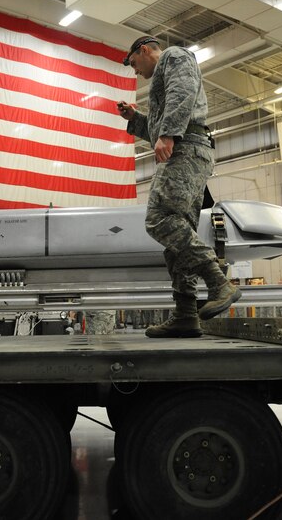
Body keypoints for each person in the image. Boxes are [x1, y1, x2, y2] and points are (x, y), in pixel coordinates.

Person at [116, 35, 240, 338]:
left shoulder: (174, 56)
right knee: (177, 236)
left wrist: (169, 134)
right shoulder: (165, 71)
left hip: (185, 149)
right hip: (188, 148)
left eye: (134, 63)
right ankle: (186, 313)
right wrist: (136, 119)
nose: (135, 71)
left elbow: (182, 93)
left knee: (159, 219)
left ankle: (218, 283)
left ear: (144, 50)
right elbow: (163, 124)